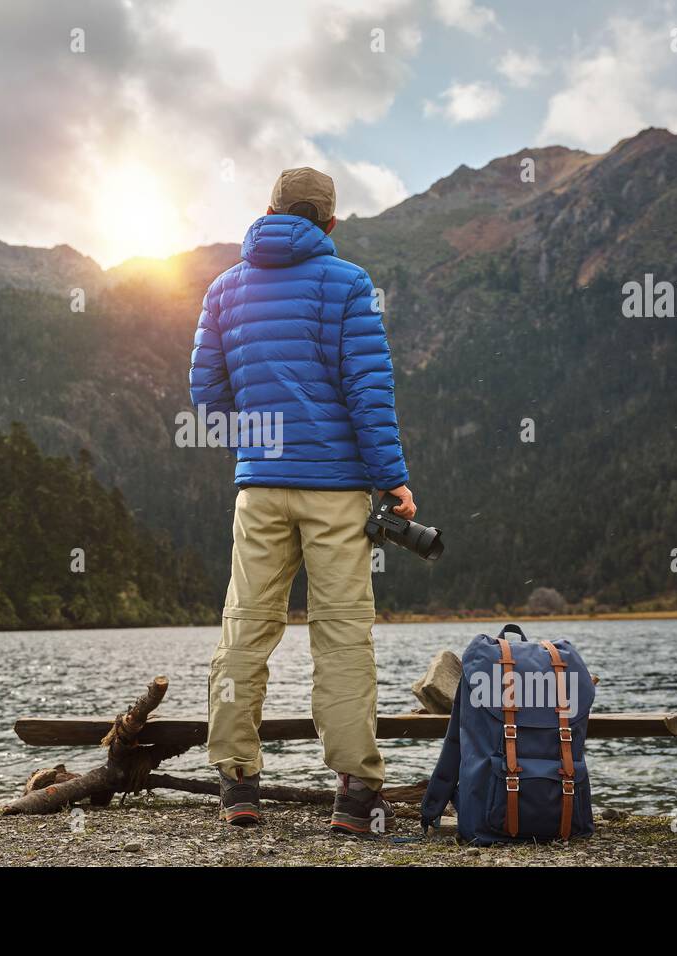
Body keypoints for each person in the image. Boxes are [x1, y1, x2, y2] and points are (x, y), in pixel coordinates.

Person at [189, 166, 415, 834]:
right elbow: (368, 392)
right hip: (338, 492)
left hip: (259, 489)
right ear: (331, 224)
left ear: (269, 211)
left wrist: (260, 433)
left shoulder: (224, 289)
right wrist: (392, 477)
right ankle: (354, 795)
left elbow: (207, 396)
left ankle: (237, 784)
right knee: (341, 635)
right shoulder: (347, 284)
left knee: (246, 627)